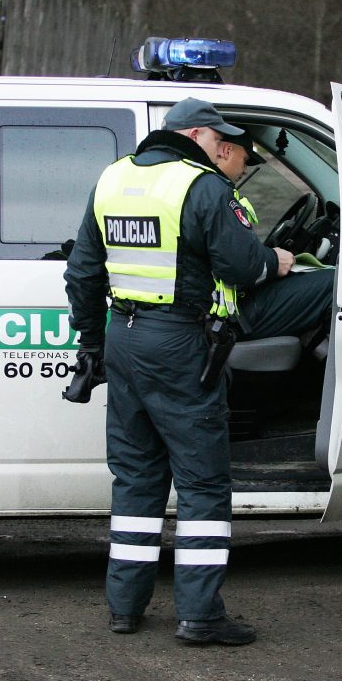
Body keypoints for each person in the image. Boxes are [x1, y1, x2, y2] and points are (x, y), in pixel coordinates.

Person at [64, 97, 298, 645]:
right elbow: (241, 266)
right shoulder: (201, 185)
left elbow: (81, 274)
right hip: (180, 344)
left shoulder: (113, 179)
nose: (223, 148)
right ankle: (200, 615)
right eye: (217, 138)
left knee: (137, 478)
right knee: (202, 484)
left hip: (123, 340)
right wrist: (276, 261)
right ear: (193, 134)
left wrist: (92, 344)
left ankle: (125, 606)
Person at [213, 126, 335, 342]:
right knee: (336, 283)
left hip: (225, 305)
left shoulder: (209, 191)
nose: (245, 170)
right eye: (244, 159)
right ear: (227, 151)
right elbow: (238, 265)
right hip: (229, 314)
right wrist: (274, 260)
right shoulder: (214, 194)